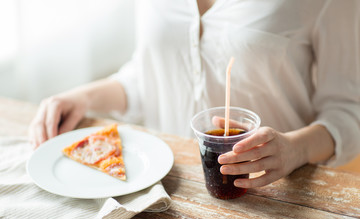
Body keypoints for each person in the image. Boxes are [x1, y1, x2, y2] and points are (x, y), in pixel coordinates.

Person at [29, 0, 360, 188]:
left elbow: (349, 111)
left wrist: (294, 150)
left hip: (270, 195)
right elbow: (152, 77)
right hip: (158, 189)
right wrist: (82, 98)